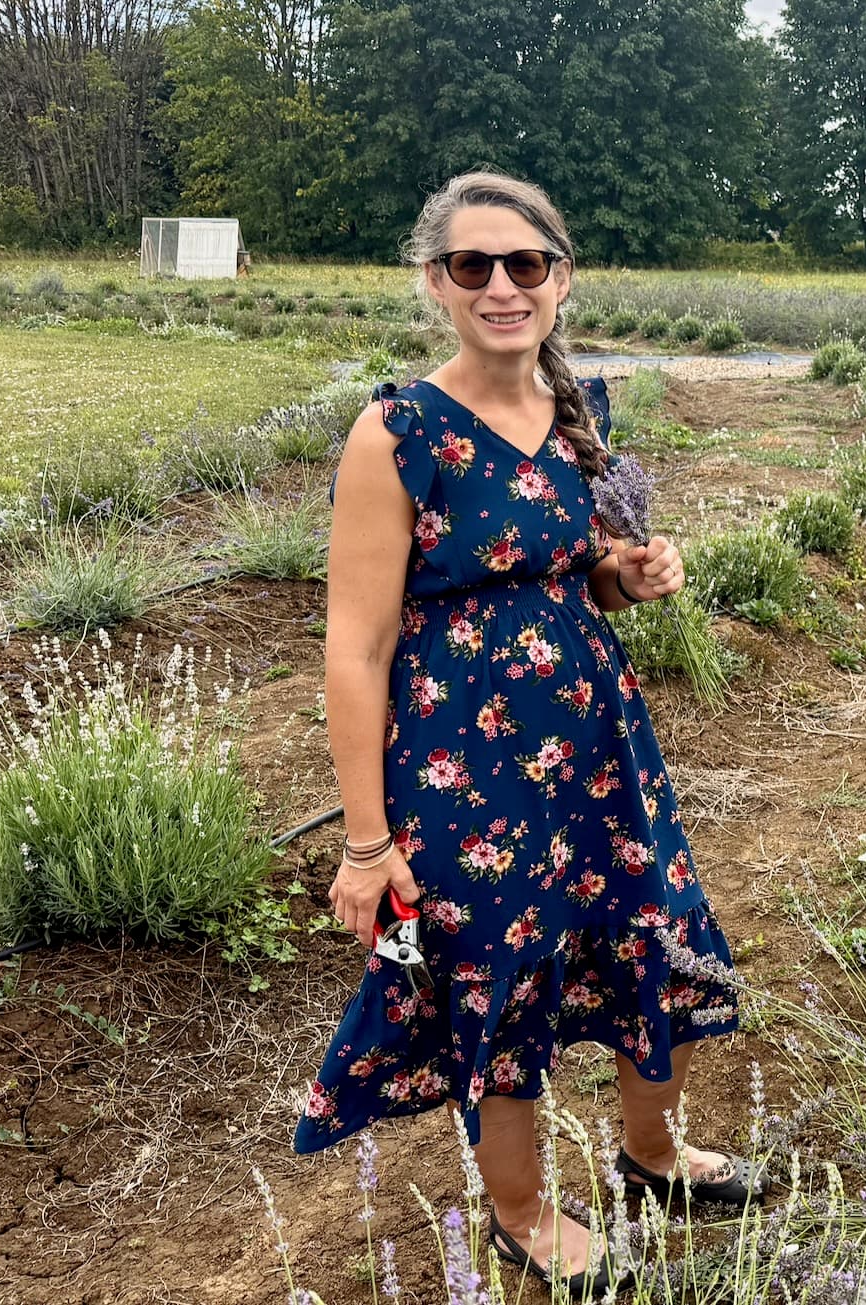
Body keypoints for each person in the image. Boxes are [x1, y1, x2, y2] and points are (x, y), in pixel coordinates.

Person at [294, 170, 752, 1297]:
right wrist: (366, 843)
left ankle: (650, 1155)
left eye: (524, 264)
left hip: (599, 749)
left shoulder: (578, 410)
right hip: (465, 771)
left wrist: (628, 574)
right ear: (437, 285)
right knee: (500, 974)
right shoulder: (396, 431)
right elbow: (352, 651)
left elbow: (563, 579)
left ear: (560, 278)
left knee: (651, 929)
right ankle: (520, 1212)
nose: (500, 285)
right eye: (471, 266)